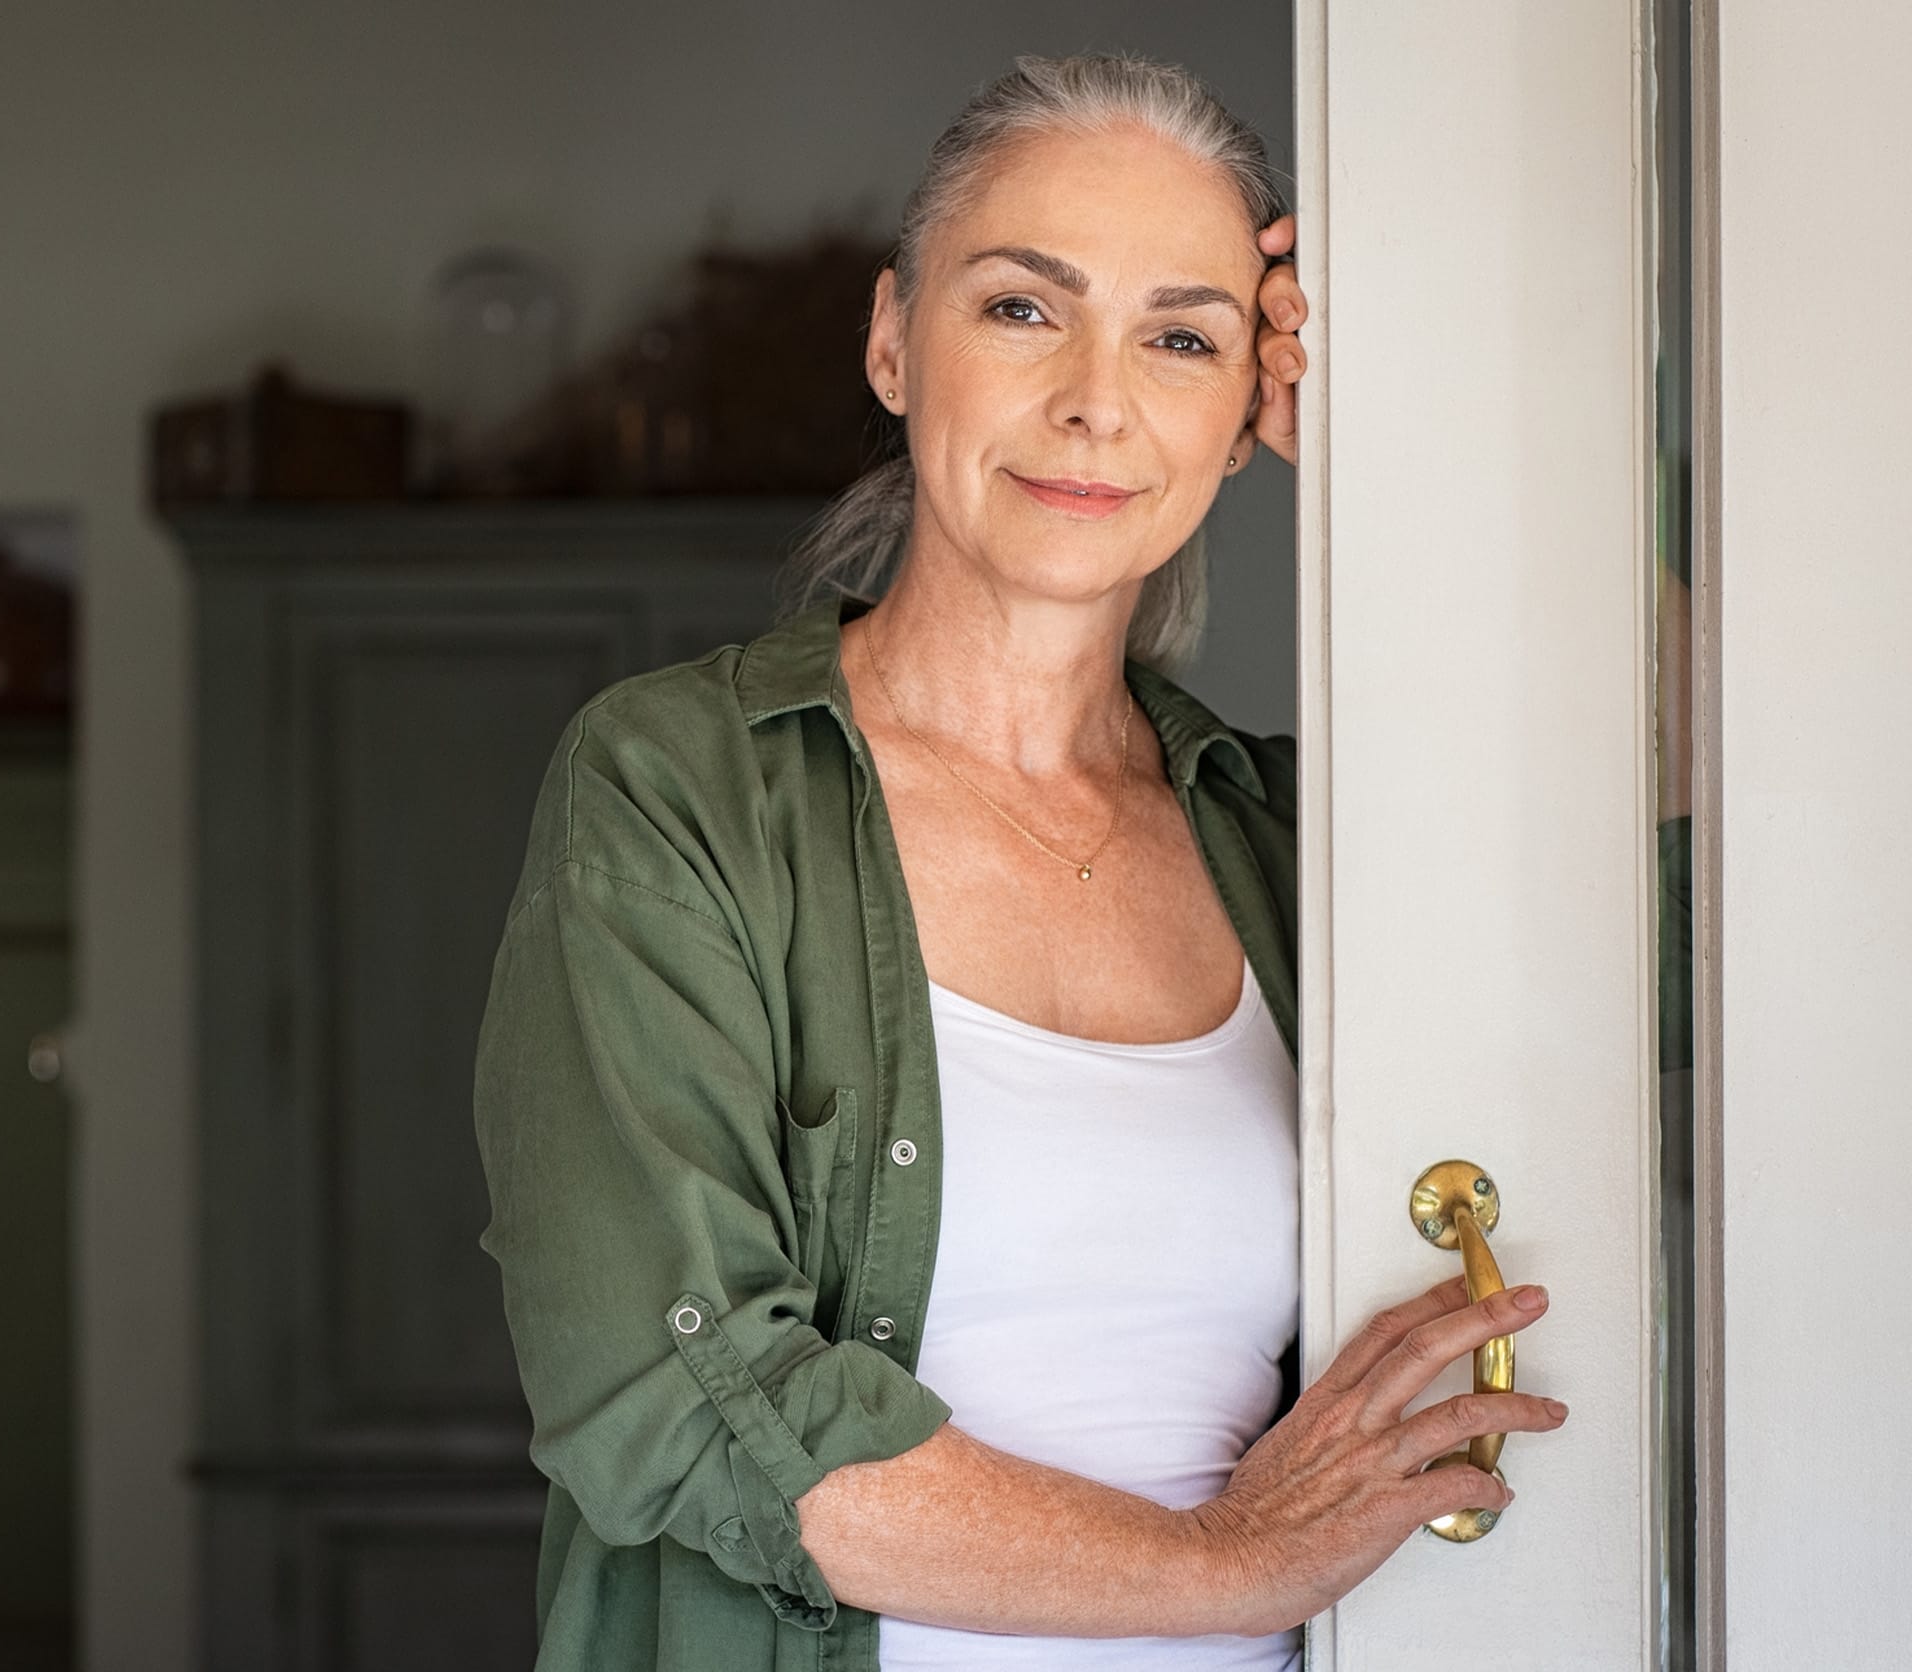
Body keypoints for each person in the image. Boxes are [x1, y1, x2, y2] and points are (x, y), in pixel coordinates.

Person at [471, 51, 1566, 1672]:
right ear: (893, 340)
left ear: (1244, 416)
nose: (1097, 401)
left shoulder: (1292, 842)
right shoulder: (678, 789)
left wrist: (1415, 459)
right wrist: (1228, 1562)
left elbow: (1695, 833)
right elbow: (679, 1397)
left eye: (1183, 338)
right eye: (1022, 308)